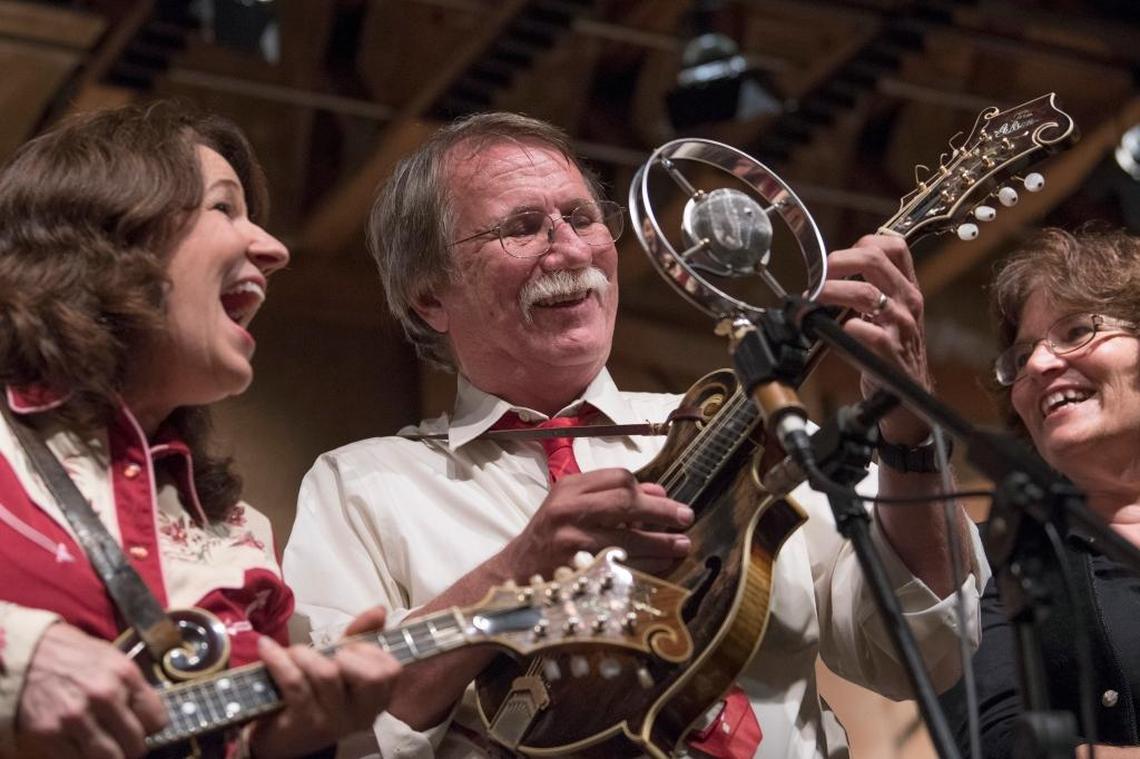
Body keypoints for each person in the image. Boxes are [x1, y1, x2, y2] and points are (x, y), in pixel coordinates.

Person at [283, 112, 989, 758]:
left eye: (584, 217)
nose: (570, 249)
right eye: (523, 226)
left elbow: (927, 650)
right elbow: (344, 737)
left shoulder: (754, 422)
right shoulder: (363, 487)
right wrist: (513, 570)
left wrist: (908, 427)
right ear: (430, 294)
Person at [0, 102, 401, 759]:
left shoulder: (243, 535)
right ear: (113, 231)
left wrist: (291, 741)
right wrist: (18, 655)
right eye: (224, 208)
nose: (274, 250)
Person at [939, 227, 1140, 758]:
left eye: (1076, 331)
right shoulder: (992, 559)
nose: (1038, 365)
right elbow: (997, 744)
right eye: (1022, 355)